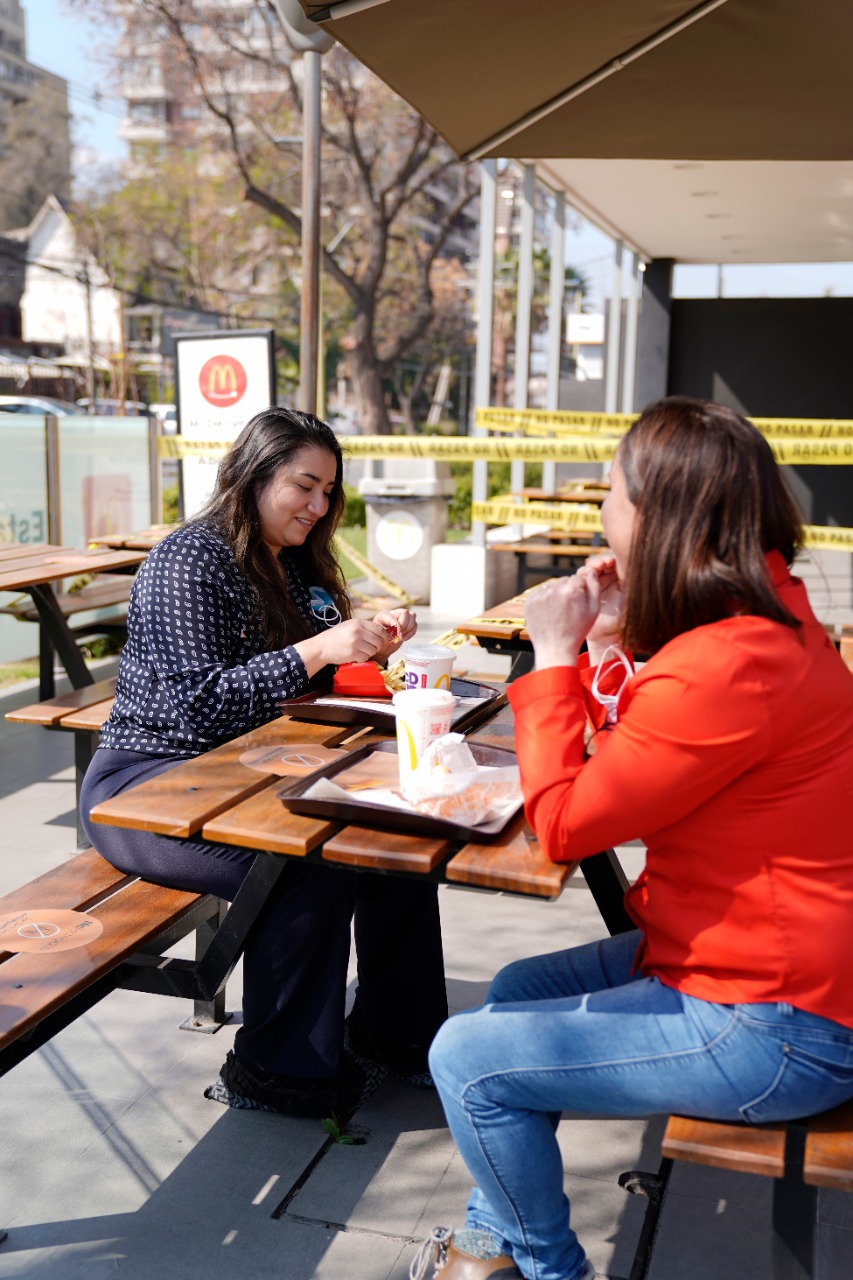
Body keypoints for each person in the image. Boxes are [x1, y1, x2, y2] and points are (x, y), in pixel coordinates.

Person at [413, 397, 853, 1280]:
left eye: (609, 496)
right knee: (511, 987)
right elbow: (642, 770)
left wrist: (551, 658)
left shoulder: (725, 663)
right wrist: (613, 642)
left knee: (463, 1057)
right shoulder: (769, 626)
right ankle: (494, 1240)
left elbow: (568, 826)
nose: (600, 515)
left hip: (778, 1026)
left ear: (656, 520)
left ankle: (538, 1265)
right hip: (744, 968)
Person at [80, 407, 448, 1119]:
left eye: (327, 493)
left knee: (392, 840)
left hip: (246, 772)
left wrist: (368, 641)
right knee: (307, 863)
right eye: (303, 486)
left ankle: (398, 1035)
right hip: (145, 787)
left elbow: (306, 676)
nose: (317, 506)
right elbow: (198, 707)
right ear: (252, 477)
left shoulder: (292, 562)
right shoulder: (191, 558)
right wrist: (318, 649)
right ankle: (279, 1072)